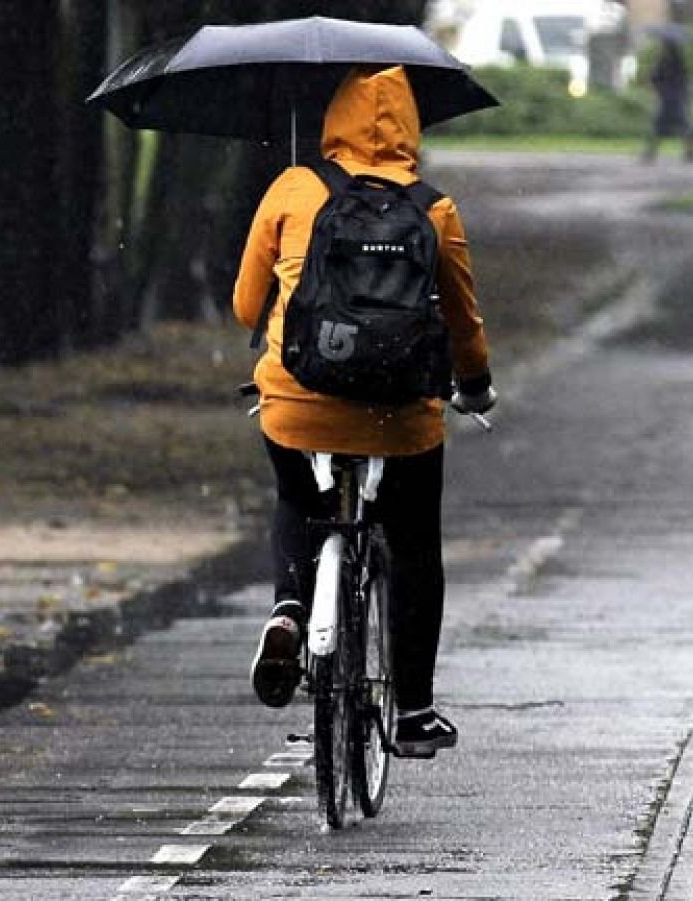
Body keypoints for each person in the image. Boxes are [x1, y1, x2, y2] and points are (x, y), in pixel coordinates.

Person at [231, 65, 495, 758]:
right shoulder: (434, 208)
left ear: (334, 118)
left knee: (295, 495)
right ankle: (413, 711)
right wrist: (476, 385)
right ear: (411, 126)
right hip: (401, 418)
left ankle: (289, 609)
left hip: (297, 400)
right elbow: (464, 324)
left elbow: (241, 306)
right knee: (412, 543)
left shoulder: (294, 187)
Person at [643, 35, 693, 164]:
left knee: (660, 127)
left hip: (669, 99)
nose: (661, 48)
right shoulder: (678, 63)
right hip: (676, 99)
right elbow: (685, 80)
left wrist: (652, 81)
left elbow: (653, 79)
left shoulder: (664, 63)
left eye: (663, 46)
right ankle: (690, 153)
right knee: (683, 126)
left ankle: (651, 153)